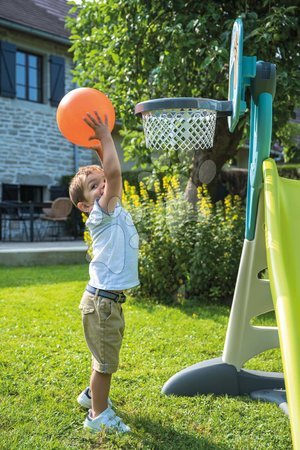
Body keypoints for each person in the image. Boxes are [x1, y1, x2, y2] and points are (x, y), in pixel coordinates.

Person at [69, 111, 139, 433]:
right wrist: (106, 136)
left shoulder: (109, 208)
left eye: (102, 183)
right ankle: (98, 417)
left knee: (103, 355)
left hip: (106, 302)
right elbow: (113, 172)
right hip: (102, 304)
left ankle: (90, 396)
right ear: (84, 205)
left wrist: (100, 146)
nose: (102, 187)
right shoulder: (103, 211)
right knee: (106, 363)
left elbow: (108, 171)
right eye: (94, 187)